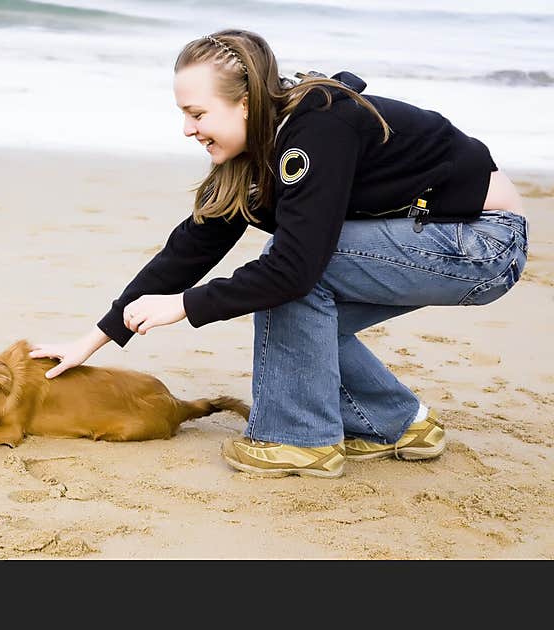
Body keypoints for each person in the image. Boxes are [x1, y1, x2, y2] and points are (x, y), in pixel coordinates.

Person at [28, 29, 529, 479]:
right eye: (183, 114)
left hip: (479, 242)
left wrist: (185, 305)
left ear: (245, 103)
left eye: (197, 114)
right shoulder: (257, 151)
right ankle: (398, 425)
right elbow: (191, 246)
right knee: (297, 298)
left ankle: (298, 442)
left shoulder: (316, 131)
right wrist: (95, 337)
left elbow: (292, 269)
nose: (187, 129)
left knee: (289, 271)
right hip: (432, 238)